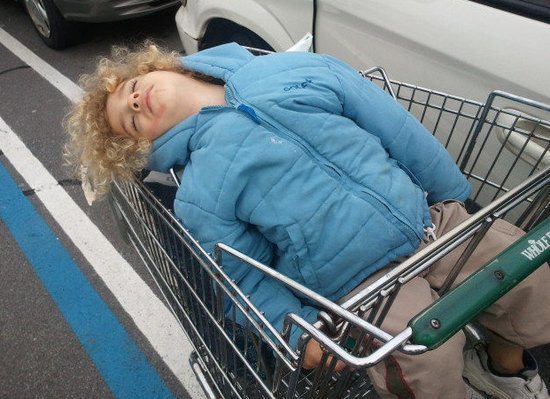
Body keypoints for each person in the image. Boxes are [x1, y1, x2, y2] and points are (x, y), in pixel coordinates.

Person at [64, 41, 550, 399]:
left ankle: (503, 370)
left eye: (129, 89)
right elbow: (242, 277)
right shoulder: (200, 193)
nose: (134, 102)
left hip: (430, 219)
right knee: (423, 356)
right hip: (366, 286)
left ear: (155, 67)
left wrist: (452, 191)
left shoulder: (293, 70)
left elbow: (393, 126)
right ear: (144, 147)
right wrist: (295, 334)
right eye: (131, 121)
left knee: (525, 276)